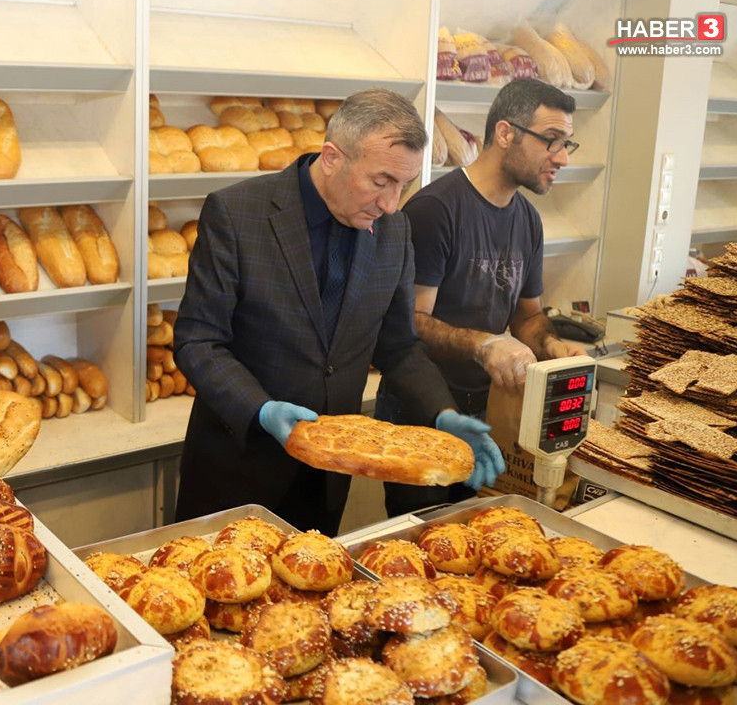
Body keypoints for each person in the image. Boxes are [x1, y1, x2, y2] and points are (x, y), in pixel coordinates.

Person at [173, 88, 505, 536]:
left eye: (404, 185)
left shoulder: (394, 230)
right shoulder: (237, 213)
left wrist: (440, 413)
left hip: (326, 477)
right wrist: (261, 409)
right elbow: (198, 340)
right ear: (332, 158)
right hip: (237, 467)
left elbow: (399, 347)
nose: (391, 203)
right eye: (381, 181)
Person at [376, 79, 588, 518]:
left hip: (488, 410)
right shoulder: (436, 210)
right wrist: (484, 344)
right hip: (424, 411)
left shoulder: (527, 219)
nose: (562, 157)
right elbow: (409, 322)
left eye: (567, 144)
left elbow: (527, 317)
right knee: (425, 539)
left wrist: (551, 346)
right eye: (551, 140)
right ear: (506, 133)